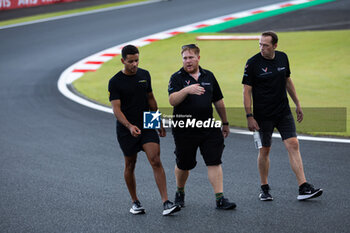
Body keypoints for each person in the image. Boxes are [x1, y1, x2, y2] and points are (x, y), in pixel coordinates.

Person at [242, 31, 323, 201]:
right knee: (265, 150)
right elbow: (246, 90)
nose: (262, 48)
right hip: (263, 115)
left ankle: (303, 186)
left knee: (293, 144)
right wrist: (249, 115)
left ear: (275, 46)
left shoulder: (283, 58)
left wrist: (297, 103)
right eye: (260, 44)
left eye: (266, 45)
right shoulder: (253, 63)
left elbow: (287, 81)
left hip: (283, 111)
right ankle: (264, 188)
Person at [108, 45, 180, 215]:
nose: (134, 64)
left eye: (136, 60)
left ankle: (166, 202)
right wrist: (129, 126)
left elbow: (151, 99)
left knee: (155, 159)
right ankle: (135, 202)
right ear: (123, 61)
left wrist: (158, 122)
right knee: (130, 164)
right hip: (126, 129)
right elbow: (116, 110)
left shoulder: (144, 75)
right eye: (130, 61)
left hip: (147, 124)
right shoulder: (115, 81)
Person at [168, 44, 236, 210]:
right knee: (184, 164)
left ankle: (220, 198)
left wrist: (225, 122)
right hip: (185, 128)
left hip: (208, 126)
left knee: (214, 161)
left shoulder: (209, 76)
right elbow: (172, 100)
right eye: (185, 58)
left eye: (191, 57)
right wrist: (187, 90)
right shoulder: (176, 78)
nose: (188, 61)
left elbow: (218, 100)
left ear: (198, 57)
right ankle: (180, 191)